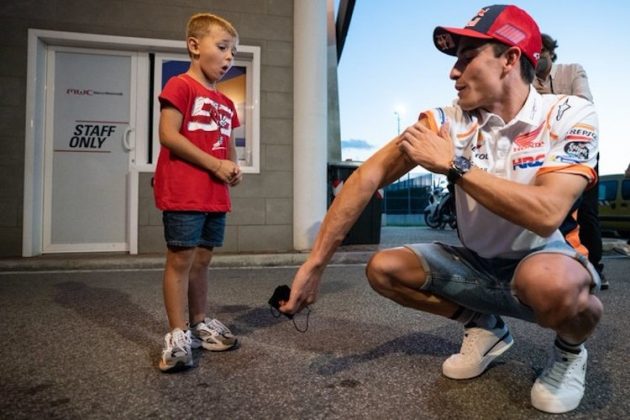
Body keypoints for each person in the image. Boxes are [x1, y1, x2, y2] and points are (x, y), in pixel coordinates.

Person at [281, 5, 602, 414]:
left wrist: (454, 164)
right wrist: (315, 265)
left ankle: (570, 353)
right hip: (478, 263)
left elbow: (546, 213)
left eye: (467, 58)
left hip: (545, 259)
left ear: (509, 59)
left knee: (551, 284)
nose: (453, 72)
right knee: (384, 269)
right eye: (455, 61)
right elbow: (366, 177)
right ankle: (485, 327)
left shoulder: (569, 112)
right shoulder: (447, 120)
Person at [153, 12, 242, 372]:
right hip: (184, 191)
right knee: (180, 260)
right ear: (194, 46)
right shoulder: (180, 86)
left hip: (214, 194)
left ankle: (199, 323)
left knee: (203, 260)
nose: (229, 56)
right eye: (222, 47)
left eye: (233, 52)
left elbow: (229, 147)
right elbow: (168, 135)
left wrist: (232, 168)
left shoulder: (227, 103)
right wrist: (214, 164)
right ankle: (178, 333)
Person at [534, 33, 607, 289]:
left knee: (587, 212)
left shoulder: (572, 71)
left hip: (579, 149)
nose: (537, 57)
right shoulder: (528, 82)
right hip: (545, 153)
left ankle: (595, 267)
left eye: (542, 51)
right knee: (553, 211)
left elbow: (583, 104)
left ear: (551, 52)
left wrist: (545, 107)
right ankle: (561, 266)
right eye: (533, 53)